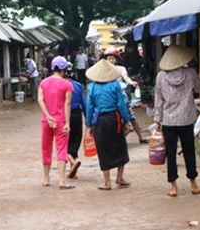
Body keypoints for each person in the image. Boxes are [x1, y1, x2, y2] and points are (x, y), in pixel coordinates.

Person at [152, 45, 200, 198]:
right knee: (189, 152)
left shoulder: (161, 77)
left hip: (168, 120)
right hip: (187, 118)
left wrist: (157, 120)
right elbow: (199, 87)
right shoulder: (190, 73)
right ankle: (193, 184)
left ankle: (174, 187)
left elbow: (159, 100)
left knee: (170, 153)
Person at [84, 58, 132, 191]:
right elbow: (121, 104)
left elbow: (90, 107)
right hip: (114, 119)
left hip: (100, 120)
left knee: (103, 148)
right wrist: (126, 121)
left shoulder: (92, 87)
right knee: (120, 146)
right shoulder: (115, 85)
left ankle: (107, 182)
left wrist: (88, 125)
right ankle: (119, 177)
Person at [39, 56, 76, 188]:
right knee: (62, 149)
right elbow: (67, 104)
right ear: (63, 69)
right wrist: (67, 123)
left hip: (46, 120)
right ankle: (62, 180)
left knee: (46, 147)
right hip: (60, 120)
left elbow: (40, 100)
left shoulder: (43, 83)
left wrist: (48, 115)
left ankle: (46, 178)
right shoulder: (67, 84)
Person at [104, 49, 147, 144]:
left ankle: (140, 137)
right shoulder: (103, 71)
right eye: (109, 58)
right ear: (105, 60)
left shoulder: (121, 68)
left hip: (122, 96)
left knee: (131, 116)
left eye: (112, 58)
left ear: (116, 59)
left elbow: (126, 77)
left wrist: (132, 82)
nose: (111, 60)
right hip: (110, 97)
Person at [66, 69, 85, 180]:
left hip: (64, 114)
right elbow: (83, 102)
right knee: (75, 140)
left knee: (64, 141)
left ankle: (73, 162)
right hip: (77, 114)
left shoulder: (60, 85)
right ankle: (73, 169)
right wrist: (89, 120)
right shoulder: (78, 85)